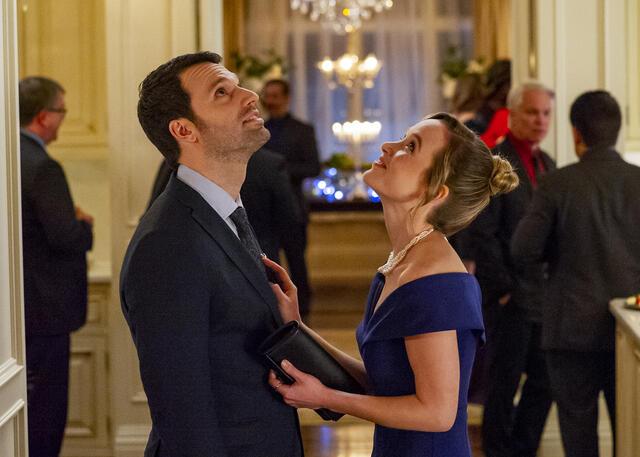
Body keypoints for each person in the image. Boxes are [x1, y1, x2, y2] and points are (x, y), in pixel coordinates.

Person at [264, 112, 519, 457]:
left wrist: (326, 398)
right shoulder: (401, 262)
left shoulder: (438, 281)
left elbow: (437, 413)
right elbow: (387, 382)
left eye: (409, 147)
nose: (388, 146)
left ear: (436, 192)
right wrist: (298, 328)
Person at [120, 52, 303, 456]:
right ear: (185, 130)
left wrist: (292, 332)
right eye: (223, 92)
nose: (250, 95)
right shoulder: (166, 243)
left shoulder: (225, 211)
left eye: (238, 84)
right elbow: (183, 414)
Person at [511, 90, 640, 457]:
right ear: (617, 130)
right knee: (631, 435)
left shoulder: (557, 183)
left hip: (570, 330)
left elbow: (522, 250)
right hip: (630, 329)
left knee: (578, 436)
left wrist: (560, 253)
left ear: (575, 133)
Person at [469, 81, 556, 457]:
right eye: (532, 112)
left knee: (545, 381)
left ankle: (522, 448)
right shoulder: (494, 164)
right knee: (502, 385)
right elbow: (482, 233)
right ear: (513, 114)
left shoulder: (547, 163)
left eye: (546, 114)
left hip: (544, 296)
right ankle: (499, 451)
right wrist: (504, 288)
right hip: (509, 297)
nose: (540, 120)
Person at [19, 76, 94, 457]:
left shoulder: (9, 155)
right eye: (62, 110)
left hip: (17, 313)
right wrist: (84, 223)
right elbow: (65, 237)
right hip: (46, 311)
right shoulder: (42, 167)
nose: (64, 119)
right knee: (46, 414)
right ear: (46, 117)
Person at [146, 148, 304, 269]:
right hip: (259, 265)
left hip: (202, 266)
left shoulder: (183, 161)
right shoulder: (270, 163)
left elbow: (152, 215)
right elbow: (290, 221)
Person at [261, 78, 321, 316]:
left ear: (286, 98)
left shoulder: (302, 130)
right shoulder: (259, 130)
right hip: (264, 211)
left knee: (297, 264)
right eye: (267, 95)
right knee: (268, 264)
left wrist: (278, 171)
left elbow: (313, 167)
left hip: (293, 208)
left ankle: (303, 314)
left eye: (275, 95)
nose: (271, 101)